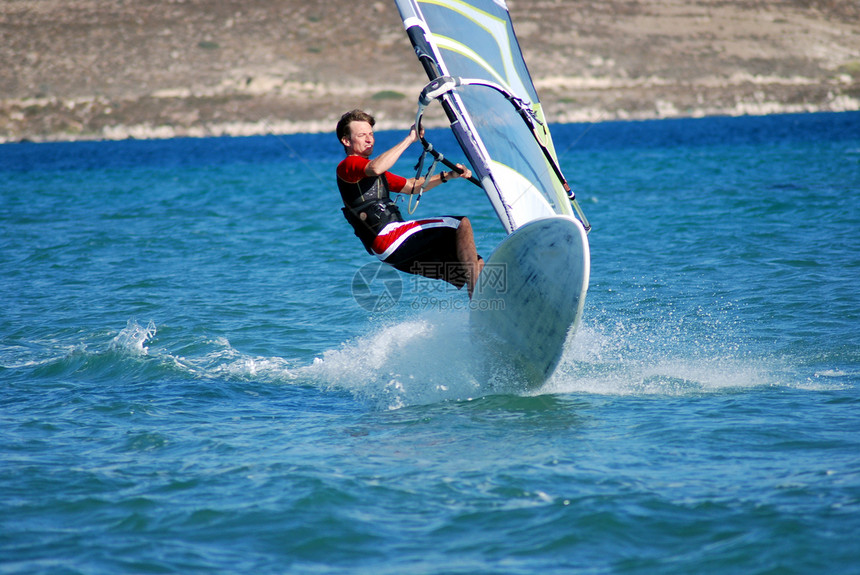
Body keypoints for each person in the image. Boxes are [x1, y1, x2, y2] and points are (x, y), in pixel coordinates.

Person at [336, 109, 484, 297]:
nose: (369, 139)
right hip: (389, 237)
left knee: (474, 264)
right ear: (346, 141)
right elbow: (376, 166)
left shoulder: (372, 173)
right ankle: (478, 296)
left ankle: (483, 313)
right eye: (361, 135)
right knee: (460, 224)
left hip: (394, 253)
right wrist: (409, 139)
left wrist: (449, 175)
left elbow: (411, 186)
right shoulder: (348, 166)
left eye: (371, 134)